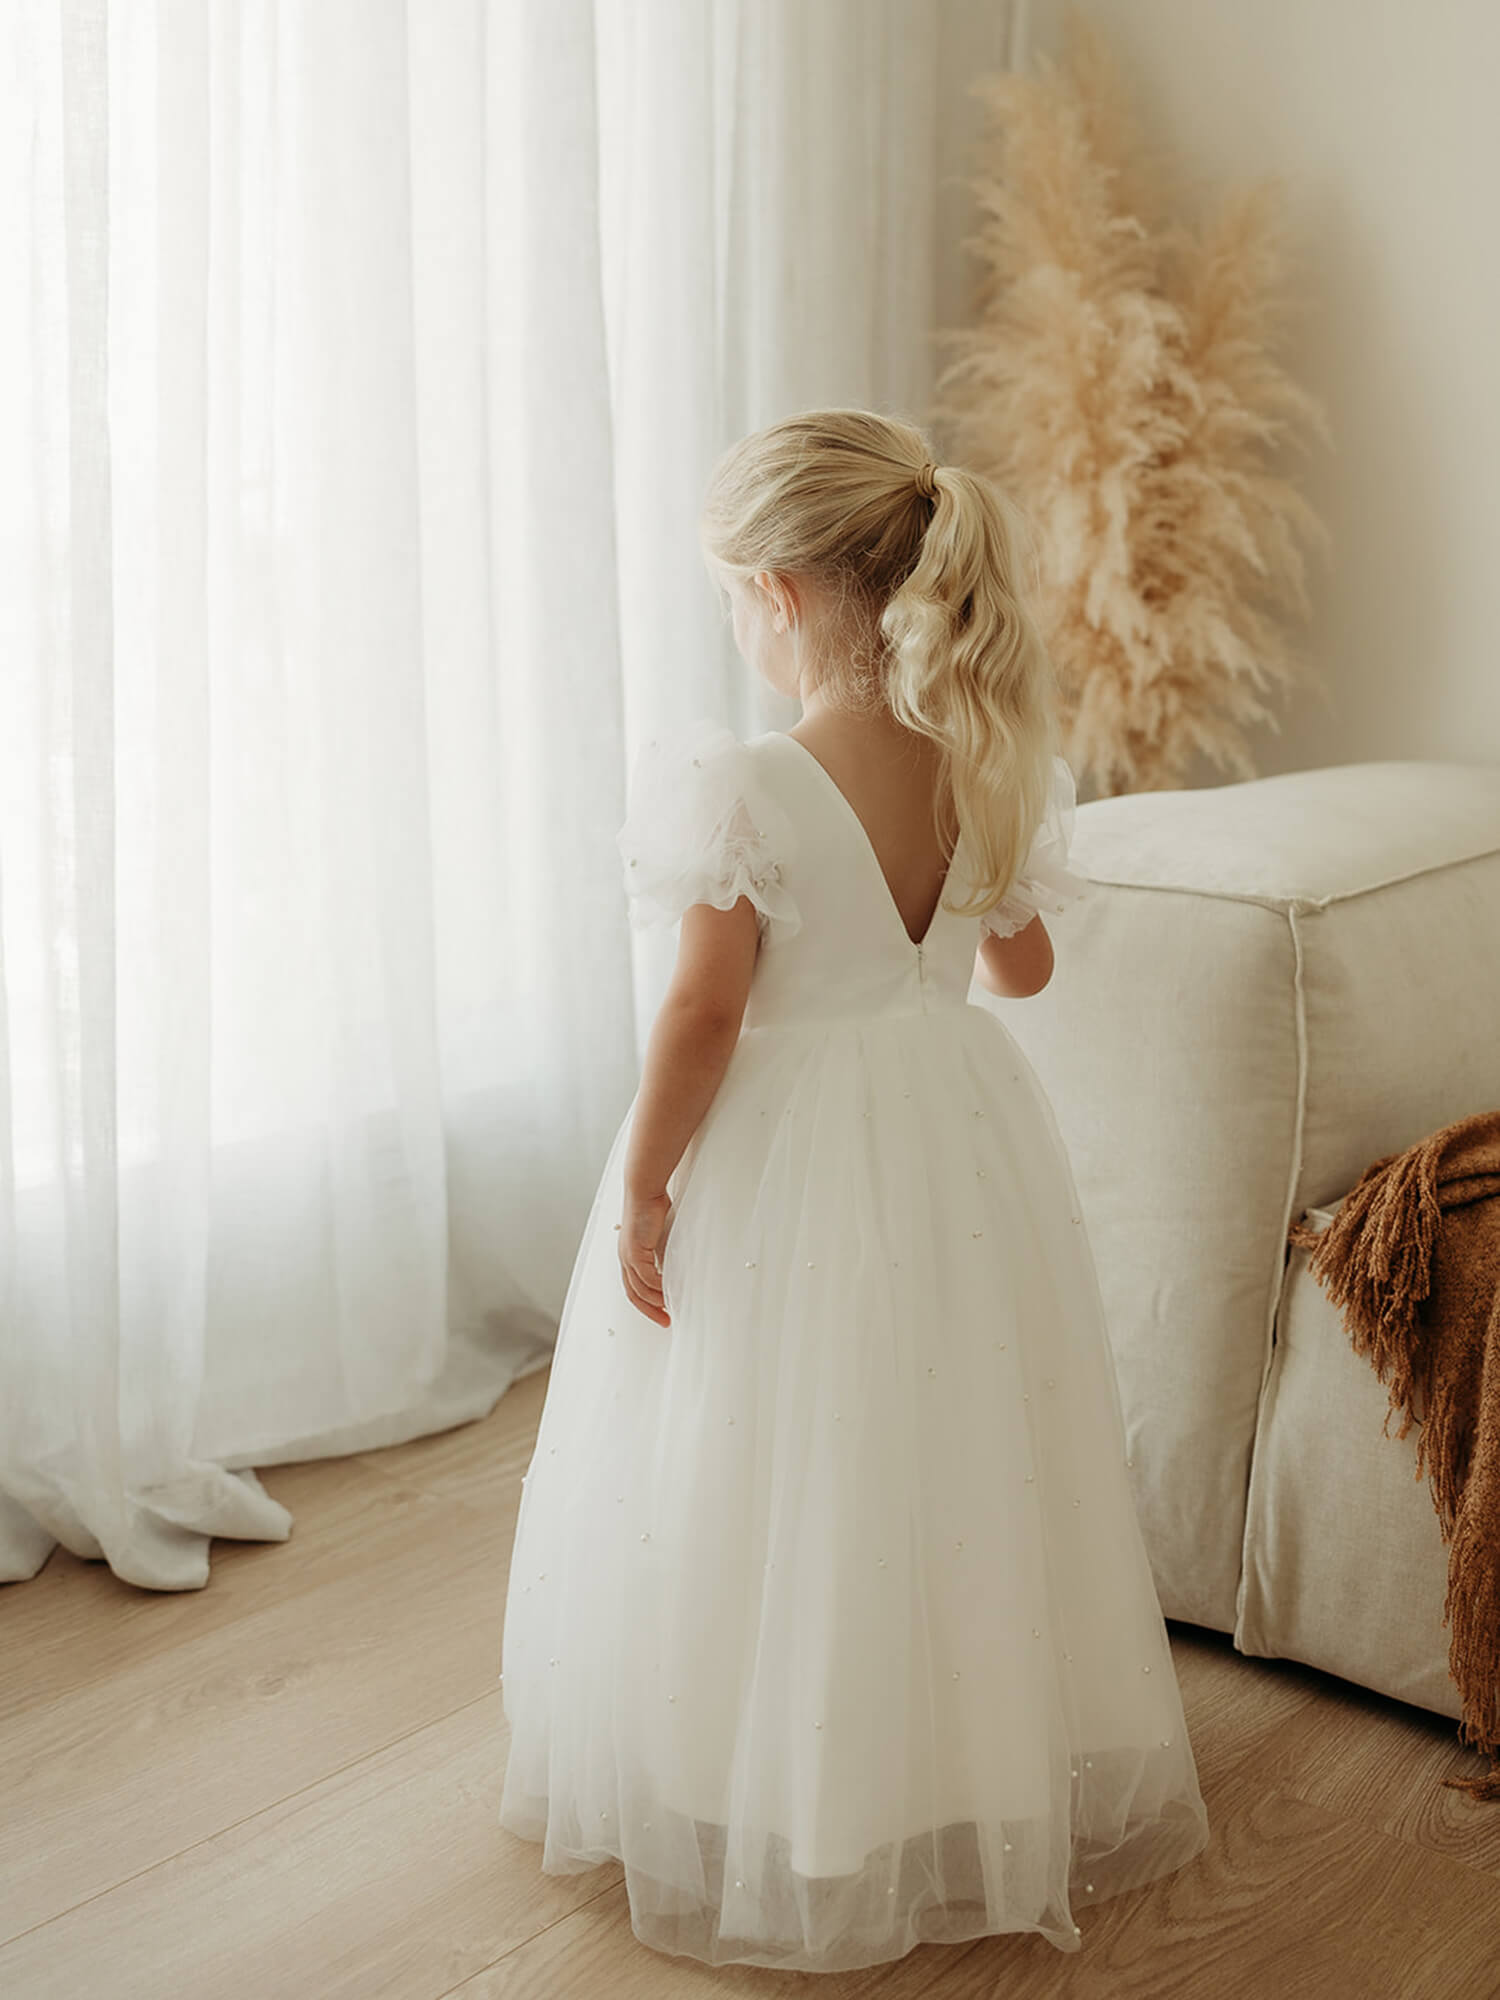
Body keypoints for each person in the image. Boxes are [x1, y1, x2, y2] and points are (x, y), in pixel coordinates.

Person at [496, 408, 1210, 1973]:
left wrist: (646, 1184)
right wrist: (974, 883)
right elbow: (1013, 967)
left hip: (790, 1143)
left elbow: (703, 1013)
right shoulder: (975, 759)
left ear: (774, 595)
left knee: (769, 1441)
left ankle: (753, 1774)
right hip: (950, 1126)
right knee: (937, 1435)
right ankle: (945, 1761)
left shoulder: (752, 778)